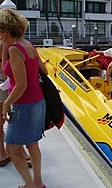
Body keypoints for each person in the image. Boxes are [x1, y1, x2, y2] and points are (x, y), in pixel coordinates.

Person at [0, 8, 47, 188]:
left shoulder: (14, 49)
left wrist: (6, 105)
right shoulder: (28, 44)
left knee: (12, 149)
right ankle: (37, 183)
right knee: (32, 145)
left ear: (5, 31)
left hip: (24, 104)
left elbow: (21, 85)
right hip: (37, 102)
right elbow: (43, 71)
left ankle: (31, 186)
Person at [0, 42, 31, 168]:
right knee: (15, 115)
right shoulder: (7, 42)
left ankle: (2, 152)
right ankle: (18, 150)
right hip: (5, 80)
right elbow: (5, 68)